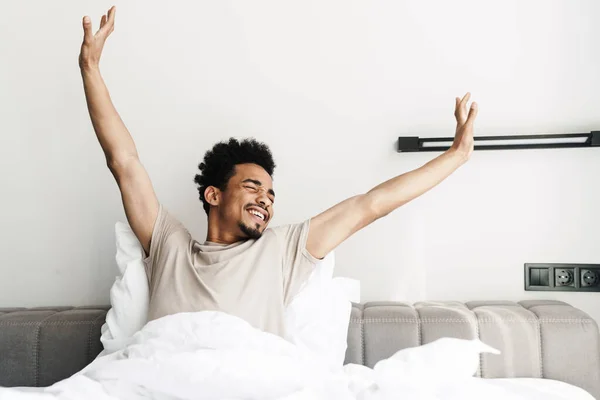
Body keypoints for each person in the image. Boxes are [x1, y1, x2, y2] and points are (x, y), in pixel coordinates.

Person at [79, 6, 478, 337]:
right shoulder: (170, 246)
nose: (266, 202)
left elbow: (368, 206)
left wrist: (456, 156)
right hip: (161, 375)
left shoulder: (281, 250)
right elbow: (124, 161)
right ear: (213, 194)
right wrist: (91, 69)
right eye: (253, 188)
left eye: (270, 195)